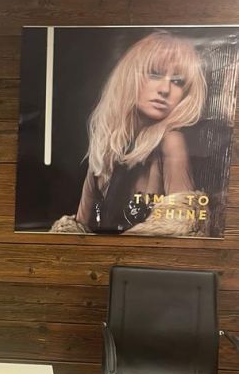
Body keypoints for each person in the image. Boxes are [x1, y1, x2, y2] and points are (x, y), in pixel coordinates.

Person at [53, 31, 208, 235]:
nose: (165, 89)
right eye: (154, 74)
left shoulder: (171, 142)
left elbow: (183, 228)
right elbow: (79, 228)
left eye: (178, 81)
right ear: (130, 77)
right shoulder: (107, 146)